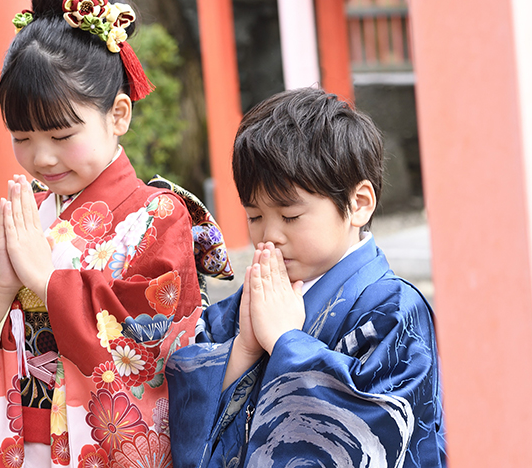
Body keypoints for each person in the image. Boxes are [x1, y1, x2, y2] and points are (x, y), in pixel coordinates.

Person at [0, 0, 208, 467]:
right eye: (22, 137)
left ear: (118, 114)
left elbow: (151, 352)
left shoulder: (157, 218)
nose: (41, 158)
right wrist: (1, 285)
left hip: (97, 445)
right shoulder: (24, 215)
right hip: (12, 441)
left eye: (61, 136)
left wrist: (44, 280)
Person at [167, 88, 446, 468]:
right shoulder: (245, 307)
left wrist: (285, 341)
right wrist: (244, 350)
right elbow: (180, 404)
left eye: (290, 216)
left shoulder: (393, 312)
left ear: (358, 203)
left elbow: (381, 433)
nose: (270, 235)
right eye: (254, 217)